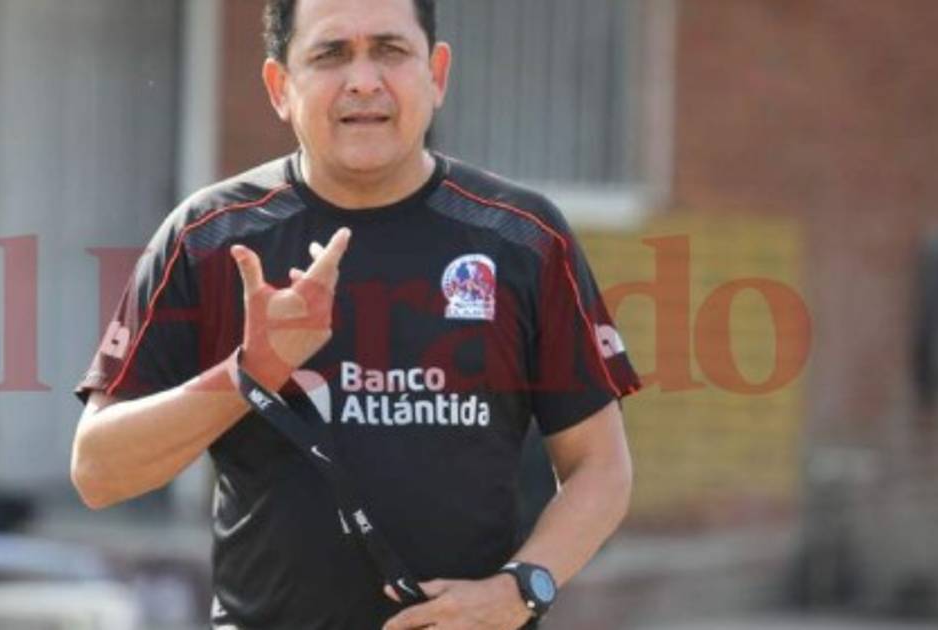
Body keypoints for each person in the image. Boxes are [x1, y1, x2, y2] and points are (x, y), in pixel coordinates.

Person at [70, 0, 640, 627]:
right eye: (330, 54)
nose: (364, 81)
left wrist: (522, 587)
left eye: (390, 51)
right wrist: (249, 372)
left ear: (437, 75)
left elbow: (601, 468)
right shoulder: (210, 238)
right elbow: (98, 471)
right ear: (279, 87)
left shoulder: (523, 237)